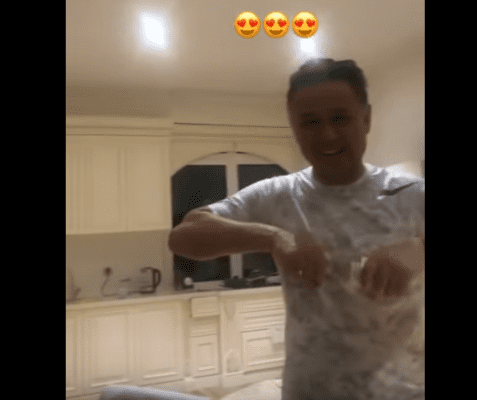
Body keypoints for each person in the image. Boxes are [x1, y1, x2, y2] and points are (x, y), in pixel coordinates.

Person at [168, 58, 425, 400]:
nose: (327, 134)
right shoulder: (278, 194)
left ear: (366, 119)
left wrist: (417, 250)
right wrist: (273, 238)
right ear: (293, 126)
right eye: (310, 122)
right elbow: (184, 236)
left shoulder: (411, 194)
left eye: (340, 118)